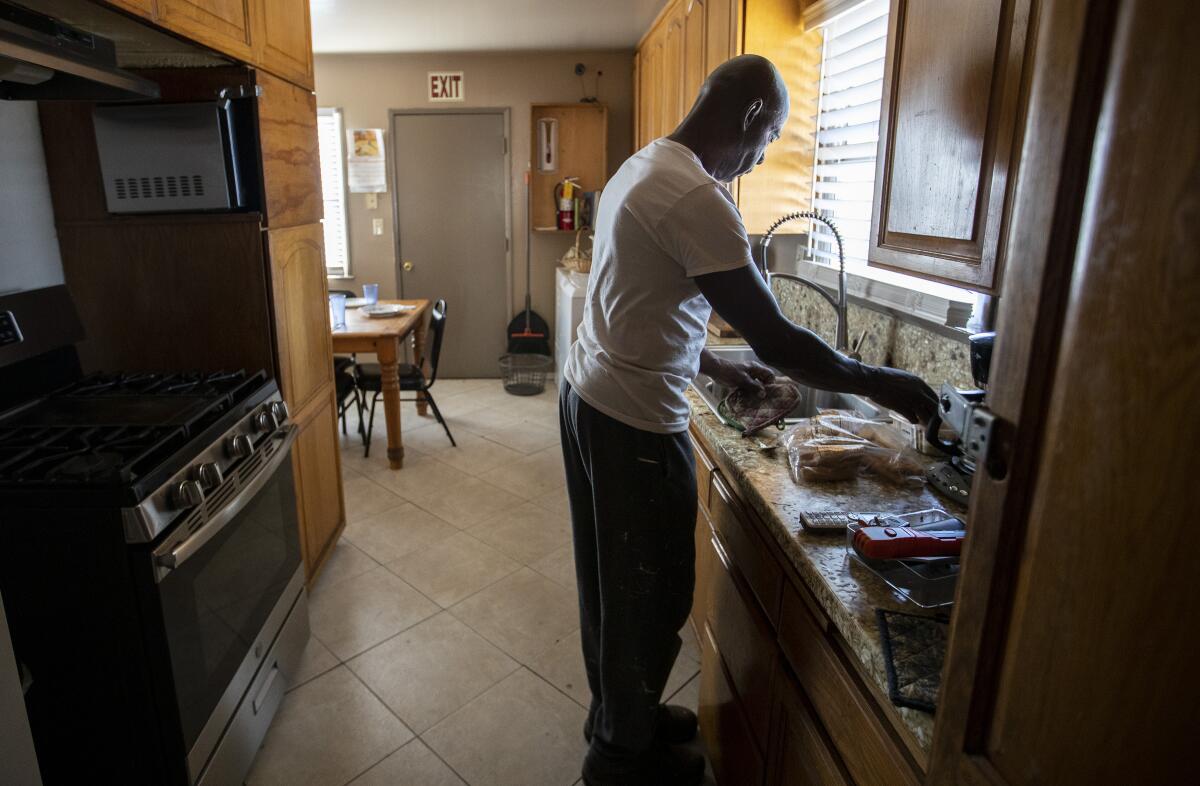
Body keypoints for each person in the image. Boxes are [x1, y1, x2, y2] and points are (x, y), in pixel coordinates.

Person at [559, 54, 938, 786]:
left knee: (613, 591)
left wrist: (717, 366)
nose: (762, 159)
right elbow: (781, 341)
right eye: (768, 142)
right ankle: (616, 763)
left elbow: (643, 307)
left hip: (594, 397)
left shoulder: (643, 166)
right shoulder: (697, 197)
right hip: (631, 422)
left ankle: (621, 718)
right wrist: (885, 383)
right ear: (752, 118)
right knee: (648, 596)